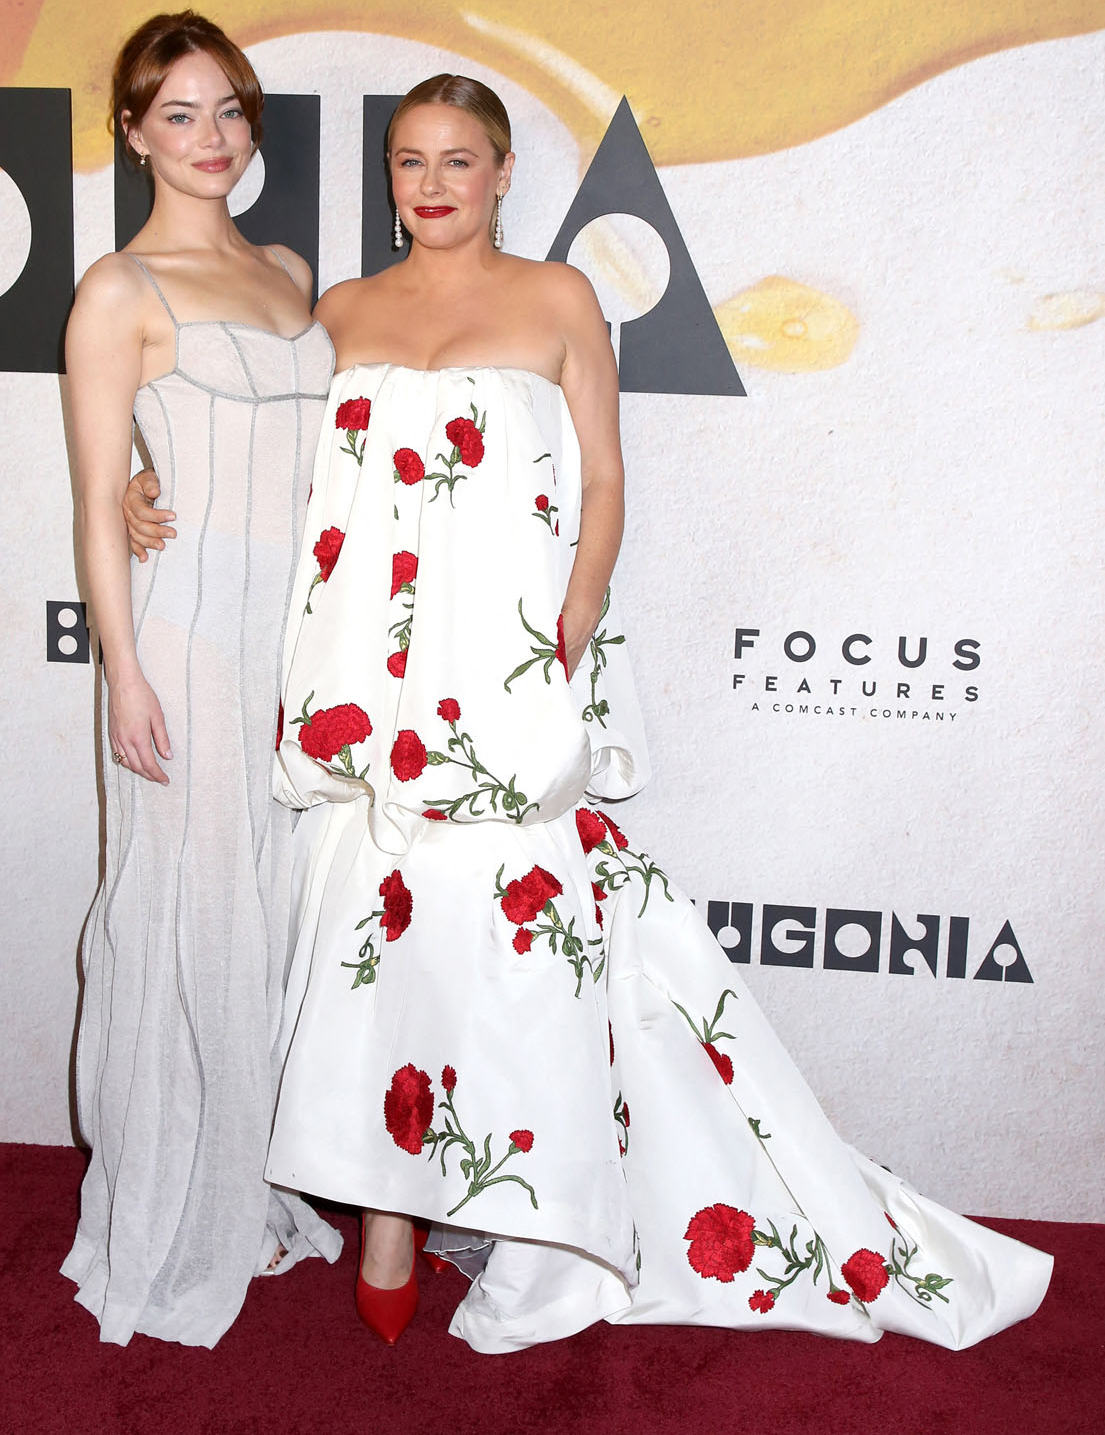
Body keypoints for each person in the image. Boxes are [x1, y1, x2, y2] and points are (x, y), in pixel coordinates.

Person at [125, 74, 1052, 1354]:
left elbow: (604, 476)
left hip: (500, 671)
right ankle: (387, 1212)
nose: (433, 183)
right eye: (410, 160)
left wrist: (577, 608)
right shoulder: (340, 311)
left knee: (498, 946)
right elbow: (265, 449)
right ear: (388, 177)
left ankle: (521, 1207)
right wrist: (140, 479)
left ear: (504, 172)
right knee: (375, 935)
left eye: (460, 159)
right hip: (369, 684)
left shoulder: (559, 299)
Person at [61, 10, 341, 1349]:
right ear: (133, 134)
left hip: (300, 639)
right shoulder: (118, 290)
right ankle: (170, 1214)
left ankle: (250, 1178)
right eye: (178, 114)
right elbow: (92, 498)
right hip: (186, 636)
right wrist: (122, 670)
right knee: (187, 910)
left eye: (228, 108)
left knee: (274, 910)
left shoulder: (289, 270)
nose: (210, 137)